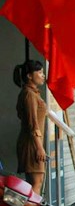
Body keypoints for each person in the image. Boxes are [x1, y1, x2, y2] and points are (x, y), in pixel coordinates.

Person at [14, 60, 47, 198]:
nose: (43, 75)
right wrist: (39, 148)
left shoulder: (32, 93)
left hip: (32, 142)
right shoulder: (29, 94)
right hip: (32, 144)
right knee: (36, 184)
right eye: (39, 72)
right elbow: (33, 124)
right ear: (29, 76)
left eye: (42, 72)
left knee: (34, 184)